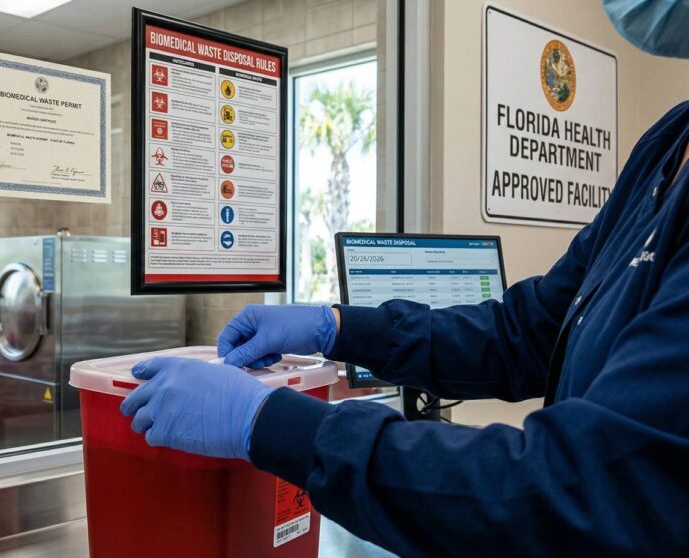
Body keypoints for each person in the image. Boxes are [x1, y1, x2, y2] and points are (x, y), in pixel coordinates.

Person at [120, 1, 689, 555]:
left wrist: (271, 423)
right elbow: (528, 329)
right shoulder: (668, 143)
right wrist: (338, 327)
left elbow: (579, 488)